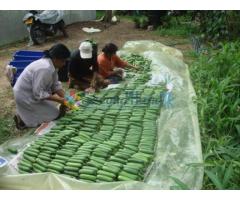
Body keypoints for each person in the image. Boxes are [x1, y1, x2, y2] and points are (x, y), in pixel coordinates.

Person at [13, 43, 71, 129]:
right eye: (63, 61)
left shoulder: (52, 65)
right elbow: (38, 93)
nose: (64, 64)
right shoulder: (45, 68)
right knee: (52, 116)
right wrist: (60, 100)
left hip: (32, 92)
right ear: (55, 59)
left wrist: (67, 98)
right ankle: (22, 121)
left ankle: (24, 116)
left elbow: (55, 85)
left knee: (53, 112)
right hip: (25, 95)